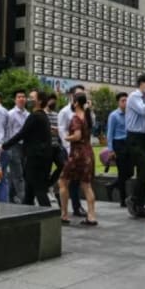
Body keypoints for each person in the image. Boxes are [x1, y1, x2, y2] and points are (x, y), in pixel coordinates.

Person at [3, 90, 54, 206]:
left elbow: (22, 134)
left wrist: (4, 146)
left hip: (36, 158)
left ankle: (48, 216)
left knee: (38, 190)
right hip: (39, 157)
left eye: (31, 98)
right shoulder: (42, 115)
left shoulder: (35, 116)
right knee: (30, 189)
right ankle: (28, 212)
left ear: (39, 101)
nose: (28, 100)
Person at [59, 93, 98, 226]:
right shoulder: (88, 117)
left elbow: (76, 136)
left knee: (63, 182)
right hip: (88, 153)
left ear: (75, 103)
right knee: (87, 185)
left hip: (77, 154)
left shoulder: (76, 118)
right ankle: (92, 216)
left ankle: (64, 214)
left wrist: (66, 137)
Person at [125, 73, 145, 219]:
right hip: (134, 138)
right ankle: (133, 199)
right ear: (142, 83)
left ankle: (140, 205)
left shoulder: (144, 99)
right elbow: (143, 110)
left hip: (144, 138)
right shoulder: (134, 97)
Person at [58, 85, 87, 216]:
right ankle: (69, 207)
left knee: (77, 179)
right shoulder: (65, 112)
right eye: (78, 95)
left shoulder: (86, 112)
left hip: (82, 150)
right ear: (71, 96)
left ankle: (76, 206)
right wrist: (68, 147)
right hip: (69, 149)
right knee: (68, 179)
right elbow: (62, 130)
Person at [105, 92, 129, 206]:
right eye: (122, 100)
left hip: (128, 144)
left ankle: (112, 185)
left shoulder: (130, 114)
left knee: (128, 172)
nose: (125, 102)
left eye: (126, 100)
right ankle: (123, 200)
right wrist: (111, 150)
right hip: (118, 144)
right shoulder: (114, 115)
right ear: (118, 102)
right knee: (122, 172)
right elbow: (109, 133)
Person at [5, 89, 30, 203]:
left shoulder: (28, 115)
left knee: (21, 173)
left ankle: (10, 197)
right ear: (15, 100)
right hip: (14, 146)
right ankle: (24, 199)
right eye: (19, 97)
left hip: (25, 147)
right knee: (18, 174)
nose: (21, 99)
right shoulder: (10, 114)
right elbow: (8, 131)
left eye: (23, 97)